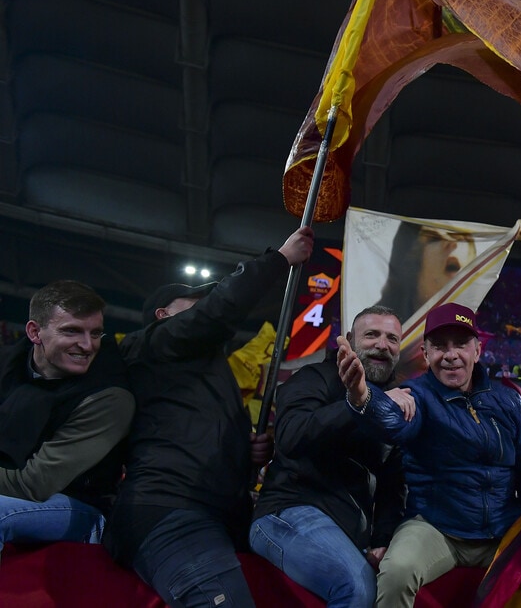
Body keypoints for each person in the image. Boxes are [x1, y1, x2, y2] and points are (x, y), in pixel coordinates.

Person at [104, 227, 314, 608]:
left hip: (206, 513)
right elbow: (219, 310)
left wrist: (245, 451)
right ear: (164, 315)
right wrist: (280, 258)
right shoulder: (156, 341)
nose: (206, 306)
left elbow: (190, 432)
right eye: (194, 303)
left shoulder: (198, 369)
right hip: (170, 512)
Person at [337, 302, 521, 608]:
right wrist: (362, 396)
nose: (451, 355)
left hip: (502, 530)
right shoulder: (417, 396)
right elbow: (392, 420)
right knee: (397, 572)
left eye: (460, 344)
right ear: (426, 353)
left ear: (478, 351)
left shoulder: (510, 401)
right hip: (435, 527)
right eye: (440, 347)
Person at [250, 305, 406, 608]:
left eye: (392, 338)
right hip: (287, 512)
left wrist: (382, 540)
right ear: (348, 339)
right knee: (357, 588)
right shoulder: (312, 378)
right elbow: (291, 437)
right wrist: (358, 403)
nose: (382, 345)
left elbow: (393, 481)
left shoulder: (395, 401)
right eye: (371, 335)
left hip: (347, 527)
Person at [0, 280, 134, 553]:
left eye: (95, 333)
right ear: (35, 332)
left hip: (81, 508)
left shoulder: (110, 397)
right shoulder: (9, 365)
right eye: (72, 331)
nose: (87, 345)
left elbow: (33, 485)